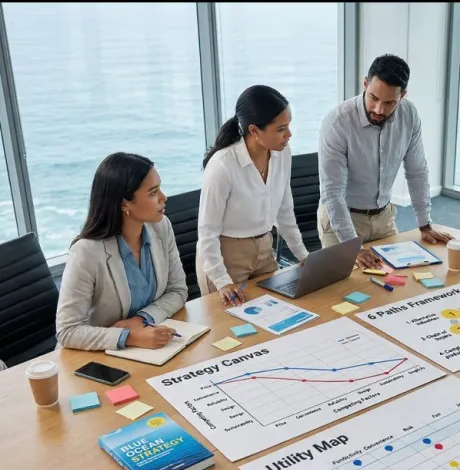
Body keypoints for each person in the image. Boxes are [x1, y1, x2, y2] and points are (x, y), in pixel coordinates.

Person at [318, 53, 453, 269]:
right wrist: (354, 247)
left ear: (403, 96)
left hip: (384, 217)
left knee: (398, 282)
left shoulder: (409, 115)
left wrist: (425, 224)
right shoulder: (337, 123)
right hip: (342, 221)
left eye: (390, 102)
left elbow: (417, 171)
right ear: (365, 84)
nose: (379, 109)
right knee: (346, 293)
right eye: (373, 98)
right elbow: (332, 194)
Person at [56, 152, 187, 351]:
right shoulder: (86, 251)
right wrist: (129, 337)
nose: (163, 197)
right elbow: (68, 331)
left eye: (160, 188)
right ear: (124, 203)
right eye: (153, 192)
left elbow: (177, 290)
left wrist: (141, 319)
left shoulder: (161, 227)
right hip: (96, 355)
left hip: (148, 348)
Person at [197, 85, 308, 306]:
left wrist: (304, 256)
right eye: (280, 129)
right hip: (227, 256)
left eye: (289, 126)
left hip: (265, 250)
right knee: (232, 326)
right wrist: (221, 281)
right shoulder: (223, 166)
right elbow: (207, 232)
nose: (289, 135)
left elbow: (285, 213)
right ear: (255, 131)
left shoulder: (283, 154)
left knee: (279, 311)